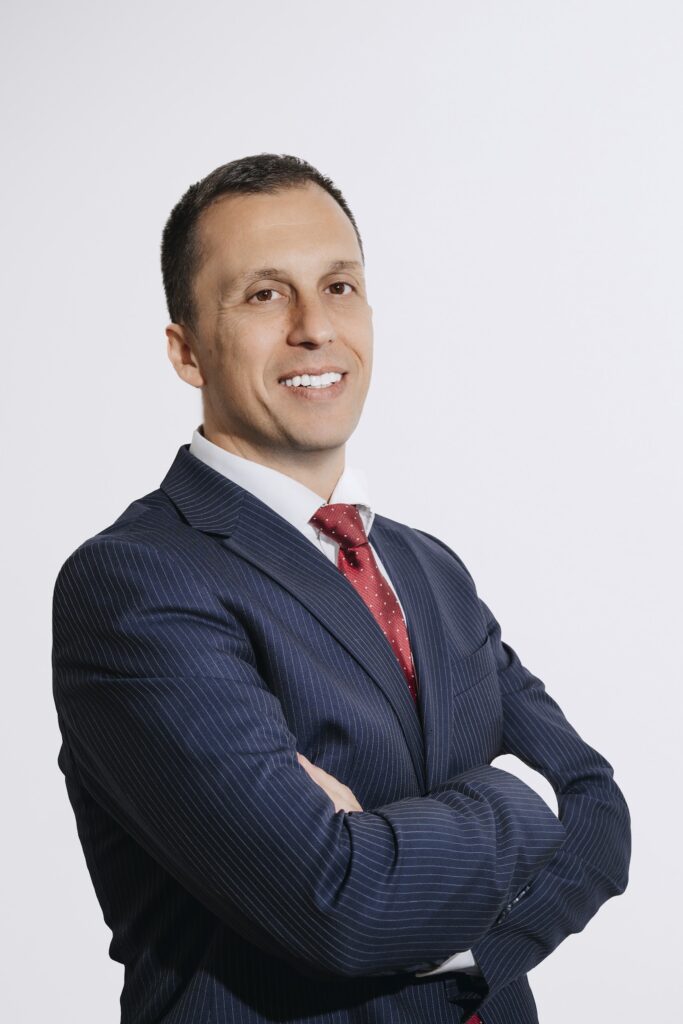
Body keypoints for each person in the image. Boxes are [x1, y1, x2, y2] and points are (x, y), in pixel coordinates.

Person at [51, 153, 631, 1024]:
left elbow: (598, 812)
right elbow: (336, 906)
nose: (315, 327)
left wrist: (461, 930)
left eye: (339, 287)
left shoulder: (427, 567)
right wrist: (526, 798)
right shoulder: (137, 583)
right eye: (264, 295)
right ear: (186, 350)